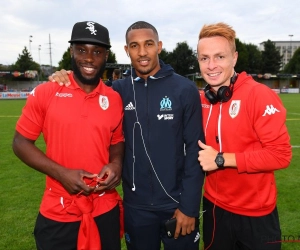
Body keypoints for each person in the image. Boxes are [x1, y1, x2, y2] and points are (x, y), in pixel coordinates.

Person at [49, 21, 205, 250]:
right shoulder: (117, 91)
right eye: (134, 46)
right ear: (126, 50)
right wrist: (65, 75)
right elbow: (86, 85)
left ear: (159, 46)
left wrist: (189, 207)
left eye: (148, 44)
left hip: (177, 205)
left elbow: (195, 150)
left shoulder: (184, 89)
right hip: (136, 208)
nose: (142, 52)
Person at [12, 21, 125, 250]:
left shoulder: (113, 98)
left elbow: (117, 140)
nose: (90, 58)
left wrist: (116, 164)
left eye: (97, 52)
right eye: (82, 50)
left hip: (104, 208)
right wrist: (61, 174)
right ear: (71, 51)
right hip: (59, 209)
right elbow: (20, 142)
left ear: (106, 55)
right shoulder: (47, 92)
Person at [197, 22, 292, 250]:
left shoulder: (259, 95)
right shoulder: (201, 100)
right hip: (214, 209)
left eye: (220, 57)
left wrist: (221, 159)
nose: (211, 66)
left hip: (256, 214)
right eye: (204, 58)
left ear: (235, 58)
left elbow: (280, 155)